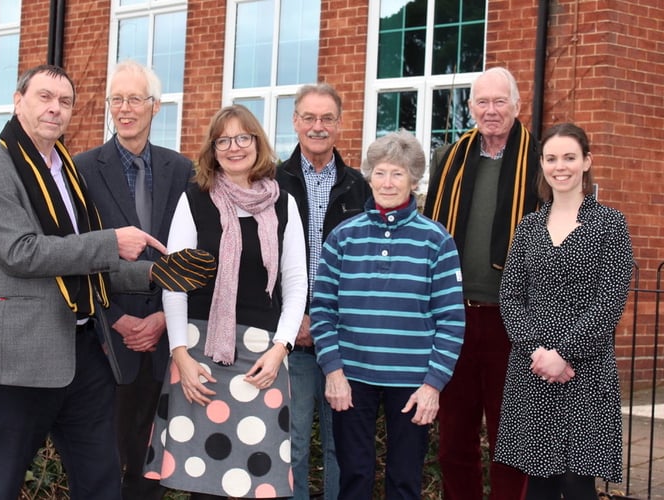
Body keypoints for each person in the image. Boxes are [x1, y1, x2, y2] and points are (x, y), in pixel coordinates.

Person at [0, 64, 168, 500]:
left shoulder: (67, 170)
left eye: (66, 102)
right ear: (18, 102)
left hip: (83, 353)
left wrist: (156, 273)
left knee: (101, 482)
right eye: (44, 98)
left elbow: (84, 266)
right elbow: (22, 252)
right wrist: (111, 241)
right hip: (15, 362)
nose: (55, 109)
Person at [143, 104, 307, 498]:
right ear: (213, 150)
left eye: (243, 137)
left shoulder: (283, 203)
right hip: (201, 355)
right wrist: (179, 353)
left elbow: (297, 282)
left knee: (257, 481)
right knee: (203, 481)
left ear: (257, 143)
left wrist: (280, 348)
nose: (235, 147)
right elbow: (175, 280)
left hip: (262, 358)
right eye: (224, 140)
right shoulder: (195, 199)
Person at [311, 129, 466, 500]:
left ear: (413, 179)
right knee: (354, 476)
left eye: (398, 174)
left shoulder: (436, 240)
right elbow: (322, 309)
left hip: (413, 384)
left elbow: (451, 319)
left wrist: (433, 386)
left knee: (405, 481)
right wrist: (333, 372)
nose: (388, 182)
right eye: (380, 172)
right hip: (352, 378)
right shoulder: (343, 237)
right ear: (368, 176)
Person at [495, 123, 633, 499]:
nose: (561, 166)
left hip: (585, 369)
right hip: (534, 367)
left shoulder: (610, 225)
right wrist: (539, 352)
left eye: (570, 157)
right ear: (542, 165)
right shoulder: (528, 227)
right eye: (552, 158)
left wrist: (564, 354)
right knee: (538, 481)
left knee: (577, 483)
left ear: (586, 162)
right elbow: (510, 297)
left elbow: (609, 302)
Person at [75, 60, 193, 500]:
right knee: (100, 464)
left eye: (134, 100)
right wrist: (116, 317)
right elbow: (76, 252)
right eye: (116, 100)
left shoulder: (181, 170)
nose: (125, 109)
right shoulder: (82, 169)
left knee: (151, 469)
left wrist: (164, 316)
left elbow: (194, 254)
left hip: (164, 341)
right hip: (105, 340)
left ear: (155, 107)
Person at [423, 66, 540, 500]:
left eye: (500, 102)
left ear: (517, 105)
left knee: (512, 441)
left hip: (515, 321)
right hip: (454, 319)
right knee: (454, 440)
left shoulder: (541, 160)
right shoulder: (448, 158)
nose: (491, 111)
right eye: (482, 103)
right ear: (470, 108)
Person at [276, 82, 370, 500]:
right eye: (309, 118)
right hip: (289, 339)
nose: (318, 126)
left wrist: (331, 324)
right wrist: (292, 319)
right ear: (295, 122)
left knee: (341, 448)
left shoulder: (360, 188)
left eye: (327, 118)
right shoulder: (271, 182)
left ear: (339, 124)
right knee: (290, 444)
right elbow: (261, 262)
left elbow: (370, 270)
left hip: (345, 342)